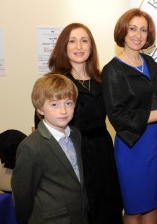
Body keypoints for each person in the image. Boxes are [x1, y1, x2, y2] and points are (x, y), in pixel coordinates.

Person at [102, 8, 157, 224]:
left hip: (154, 144)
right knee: (134, 208)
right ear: (123, 32)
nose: (138, 35)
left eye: (143, 30)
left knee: (152, 203)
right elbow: (118, 116)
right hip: (132, 146)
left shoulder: (150, 64)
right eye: (133, 29)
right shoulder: (113, 70)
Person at [45, 23, 123, 223]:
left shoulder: (101, 79)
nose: (78, 46)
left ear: (91, 46)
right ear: (64, 46)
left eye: (84, 40)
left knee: (109, 207)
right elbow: (44, 128)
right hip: (73, 155)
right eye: (72, 41)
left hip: (103, 153)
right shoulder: (56, 82)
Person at [12, 74, 88, 224]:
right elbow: (23, 195)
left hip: (79, 216)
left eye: (68, 103)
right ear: (40, 109)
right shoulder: (31, 147)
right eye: (54, 104)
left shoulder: (75, 135)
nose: (63, 111)